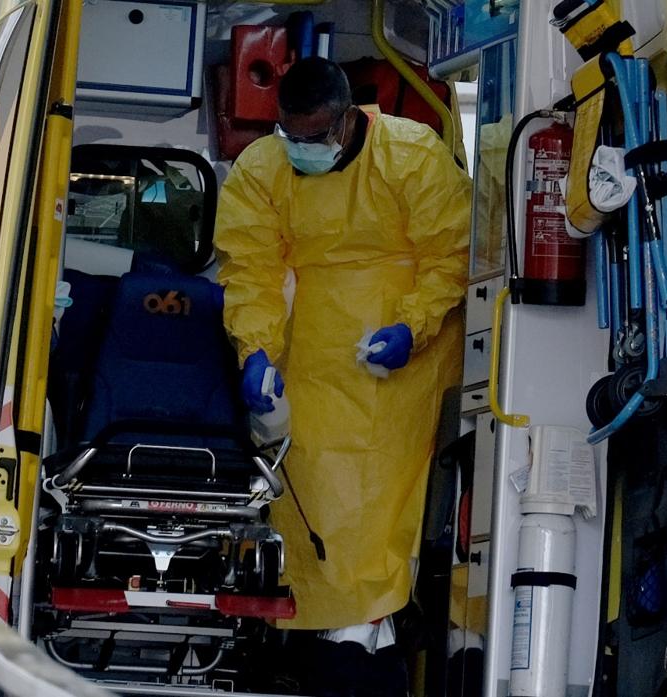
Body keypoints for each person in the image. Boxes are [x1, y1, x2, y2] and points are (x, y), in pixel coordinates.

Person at [214, 57, 471, 692]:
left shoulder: (410, 155)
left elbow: (450, 255)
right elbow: (253, 273)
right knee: (313, 500)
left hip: (401, 366)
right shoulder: (263, 170)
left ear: (349, 119)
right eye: (290, 136)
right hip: (313, 359)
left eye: (314, 137)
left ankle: (368, 637)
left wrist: (413, 326)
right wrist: (256, 353)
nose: (302, 149)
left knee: (385, 509)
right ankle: (323, 641)